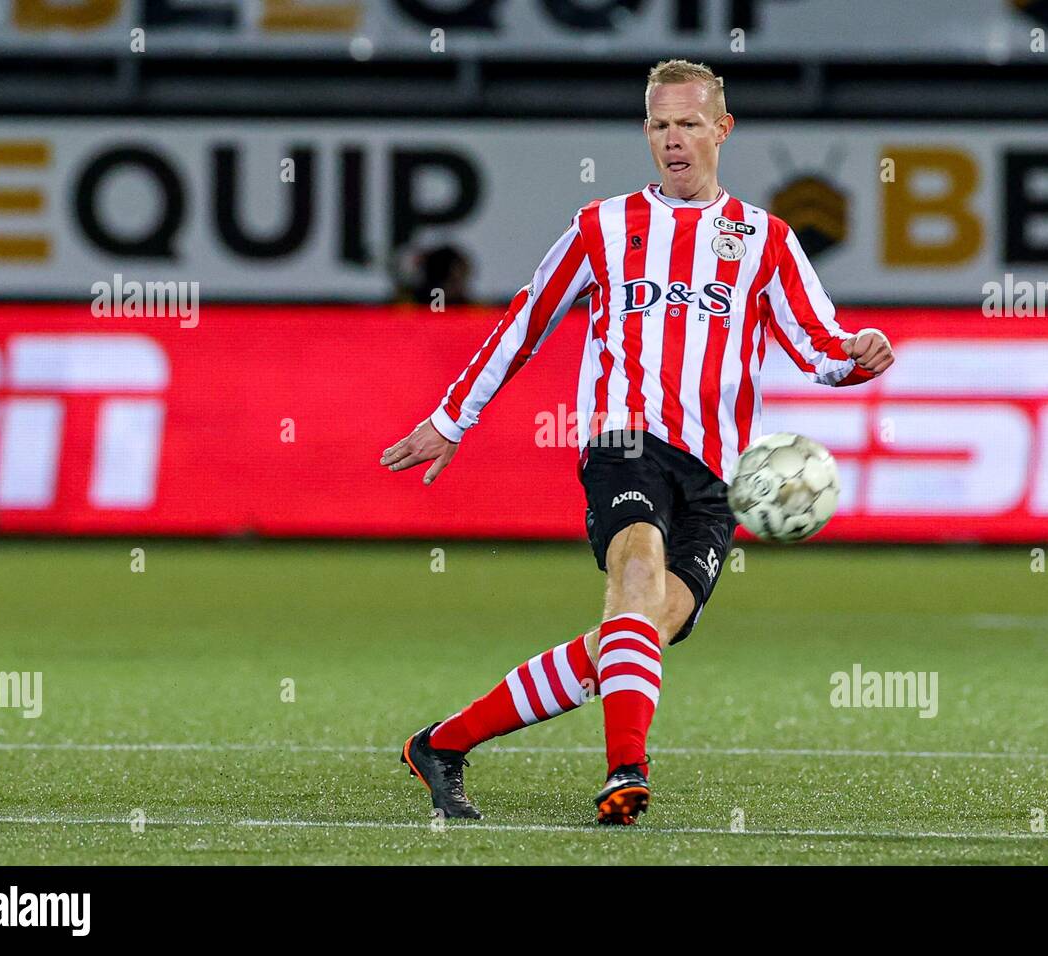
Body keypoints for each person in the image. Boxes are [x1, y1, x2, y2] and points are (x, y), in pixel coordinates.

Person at [380, 59, 894, 825]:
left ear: (722, 130)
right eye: (660, 125)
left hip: (716, 474)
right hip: (625, 440)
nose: (673, 139)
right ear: (646, 132)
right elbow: (526, 322)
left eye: (689, 123)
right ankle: (626, 770)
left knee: (641, 630)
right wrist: (453, 419)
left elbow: (820, 347)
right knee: (636, 575)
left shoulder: (767, 240)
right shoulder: (603, 227)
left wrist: (859, 354)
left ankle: (443, 743)